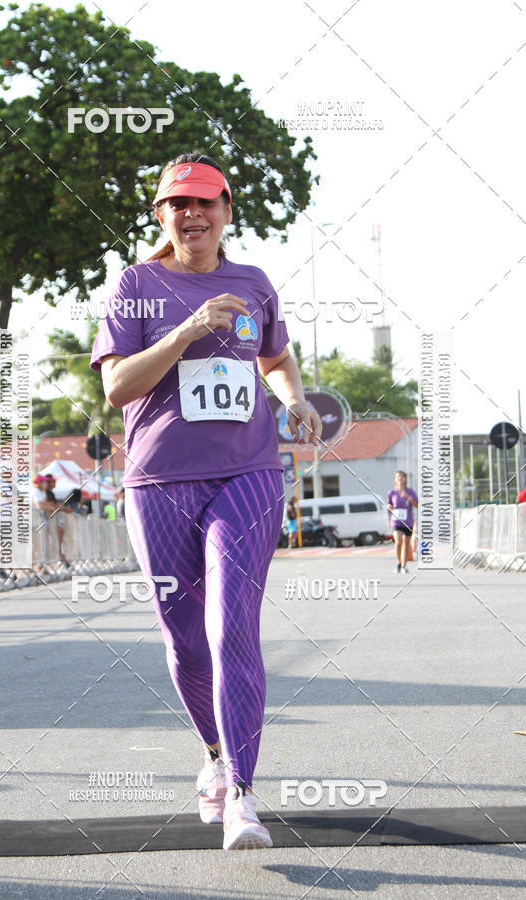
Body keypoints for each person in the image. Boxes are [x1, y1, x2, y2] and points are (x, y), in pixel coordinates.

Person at [91, 151, 322, 851]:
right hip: (159, 482)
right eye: (177, 204)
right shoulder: (136, 285)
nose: (192, 214)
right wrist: (187, 329)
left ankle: (243, 797)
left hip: (247, 474)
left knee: (233, 629)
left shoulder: (253, 282)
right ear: (161, 215)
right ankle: (215, 756)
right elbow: (118, 387)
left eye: (205, 202)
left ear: (225, 211)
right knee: (186, 639)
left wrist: (294, 397)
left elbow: (274, 358)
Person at [387, 470, 418, 574]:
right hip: (396, 521)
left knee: (406, 543)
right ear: (395, 480)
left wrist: (408, 497)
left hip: (408, 522)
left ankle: (404, 565)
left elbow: (417, 504)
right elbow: (389, 504)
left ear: (405, 479)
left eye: (401, 476)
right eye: (398, 477)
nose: (400, 478)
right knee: (398, 541)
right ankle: (398, 563)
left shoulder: (410, 491)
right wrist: (389, 506)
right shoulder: (392, 493)